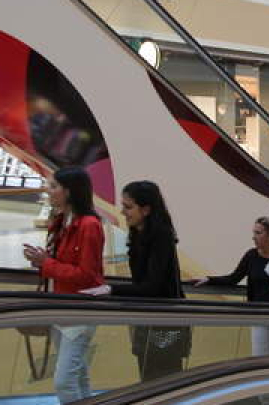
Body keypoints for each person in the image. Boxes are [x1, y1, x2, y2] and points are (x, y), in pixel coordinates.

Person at [83, 181, 189, 380]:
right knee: (148, 376)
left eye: (128, 207)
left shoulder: (161, 236)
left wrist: (111, 289)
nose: (122, 212)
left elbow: (152, 286)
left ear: (146, 209)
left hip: (165, 322)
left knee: (164, 379)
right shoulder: (138, 234)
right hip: (148, 319)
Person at [22, 168, 104, 404]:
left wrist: (46, 264)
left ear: (68, 191)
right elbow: (63, 263)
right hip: (61, 306)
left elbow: (87, 275)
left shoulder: (89, 225)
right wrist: (43, 260)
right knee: (77, 375)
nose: (48, 191)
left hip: (79, 310)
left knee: (64, 380)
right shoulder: (61, 222)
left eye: (53, 186)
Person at [196, 217, 269, 358]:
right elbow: (233, 278)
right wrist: (209, 279)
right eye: (254, 233)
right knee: (259, 357)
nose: (253, 237)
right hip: (258, 314)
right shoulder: (251, 255)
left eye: (258, 233)